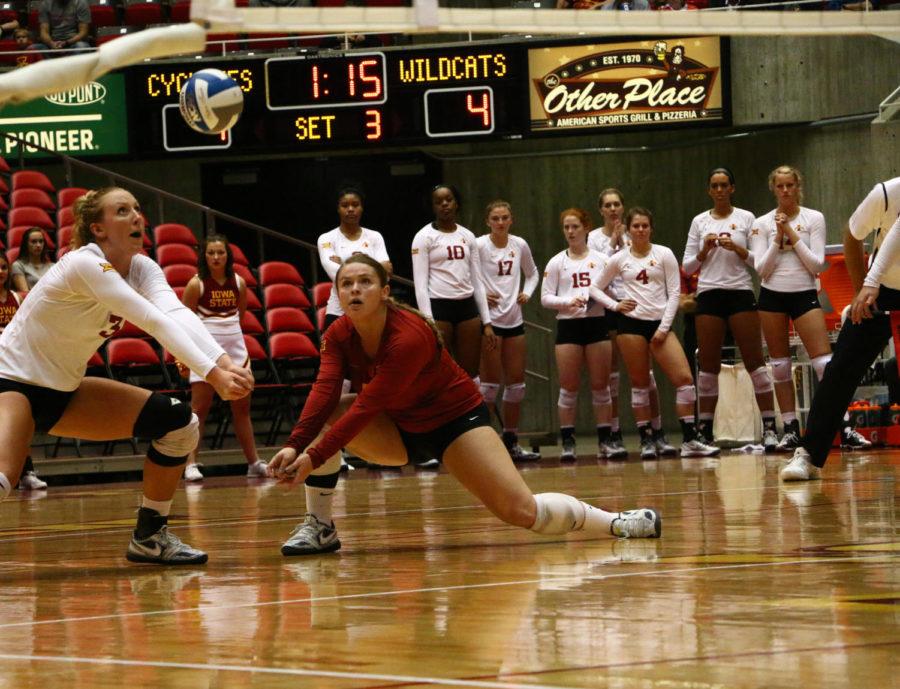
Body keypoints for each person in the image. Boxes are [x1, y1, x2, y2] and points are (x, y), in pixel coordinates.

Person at [268, 254, 661, 556]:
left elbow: (370, 405)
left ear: (385, 291)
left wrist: (314, 456)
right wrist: (294, 444)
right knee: (332, 409)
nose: (355, 290)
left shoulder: (409, 335)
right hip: (400, 430)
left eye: (365, 282)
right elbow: (324, 389)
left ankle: (615, 522)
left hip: (456, 423)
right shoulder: (338, 332)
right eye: (347, 283)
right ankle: (320, 527)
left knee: (523, 512)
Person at [0, 187, 253, 564]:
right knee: (4, 478)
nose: (136, 216)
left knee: (179, 424)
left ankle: (149, 537)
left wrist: (223, 362)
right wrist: (213, 375)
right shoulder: (83, 263)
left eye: (137, 208)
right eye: (121, 211)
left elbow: (177, 315)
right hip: (11, 383)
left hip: (64, 392)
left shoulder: (142, 267)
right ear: (98, 229)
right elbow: (150, 319)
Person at [782, 177, 900, 481]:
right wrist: (864, 287)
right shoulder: (886, 193)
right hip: (883, 289)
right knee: (842, 368)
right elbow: (853, 234)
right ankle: (808, 454)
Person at [749, 165, 869, 452]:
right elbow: (761, 270)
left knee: (824, 364)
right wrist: (778, 239)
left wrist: (790, 231)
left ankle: (844, 426)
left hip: (804, 293)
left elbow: (816, 264)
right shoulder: (762, 223)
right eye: (780, 186)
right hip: (771, 296)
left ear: (798, 186)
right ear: (773, 189)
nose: (786, 190)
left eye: (790, 185)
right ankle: (790, 429)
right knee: (779, 366)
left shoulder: (813, 217)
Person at [591, 207, 719, 460]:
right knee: (640, 384)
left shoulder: (664, 254)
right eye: (636, 226)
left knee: (684, 381)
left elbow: (674, 294)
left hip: (659, 324)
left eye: (645, 225)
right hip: (630, 326)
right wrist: (616, 305)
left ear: (651, 228)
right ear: (628, 230)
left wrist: (662, 328)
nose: (640, 230)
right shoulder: (619, 259)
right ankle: (646, 440)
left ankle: (690, 439)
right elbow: (595, 288)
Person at [682, 168, 779, 452]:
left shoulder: (746, 218)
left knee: (755, 362)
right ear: (709, 191)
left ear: (732, 188)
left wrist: (738, 249)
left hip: (739, 292)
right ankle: (705, 432)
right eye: (715, 185)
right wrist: (705, 251)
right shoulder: (699, 221)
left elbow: (757, 262)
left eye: (725, 185)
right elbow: (687, 266)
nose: (720, 190)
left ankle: (770, 429)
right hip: (709, 293)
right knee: (708, 366)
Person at [588, 188, 674, 457]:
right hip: (610, 307)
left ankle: (656, 432)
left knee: (646, 375)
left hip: (637, 306)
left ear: (622, 208)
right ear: (601, 209)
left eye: (617, 204)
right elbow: (596, 272)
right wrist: (613, 243)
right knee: (613, 375)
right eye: (608, 205)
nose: (613, 209)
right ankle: (613, 433)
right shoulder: (593, 238)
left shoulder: (635, 232)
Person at [315, 185, 391, 478]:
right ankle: (336, 449)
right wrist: (368, 270)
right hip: (338, 313)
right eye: (345, 205)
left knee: (369, 380)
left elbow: (386, 269)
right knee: (337, 383)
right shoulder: (327, 239)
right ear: (339, 209)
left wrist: (355, 267)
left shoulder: (375, 237)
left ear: (361, 208)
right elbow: (335, 272)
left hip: (371, 315)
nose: (350, 209)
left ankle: (374, 448)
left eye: (355, 205)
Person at [180, 234, 268, 482]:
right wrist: (185, 358)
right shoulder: (196, 284)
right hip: (204, 349)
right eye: (211, 253)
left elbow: (239, 315)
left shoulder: (238, 282)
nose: (216, 257)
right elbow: (184, 322)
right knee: (200, 408)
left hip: (235, 348)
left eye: (221, 252)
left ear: (228, 255)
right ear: (204, 256)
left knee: (242, 408)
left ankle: (253, 462)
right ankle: (191, 463)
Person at [540, 208, 617, 460]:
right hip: (569, 327)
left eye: (575, 226)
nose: (571, 232)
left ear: (586, 228)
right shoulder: (556, 262)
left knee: (601, 386)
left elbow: (613, 292)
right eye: (566, 227)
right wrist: (567, 302)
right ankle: (568, 442)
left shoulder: (601, 259)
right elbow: (545, 298)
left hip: (596, 325)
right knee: (569, 387)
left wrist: (598, 300)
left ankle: (605, 441)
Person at [476, 200, 540, 462]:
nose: (500, 222)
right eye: (495, 218)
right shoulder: (479, 245)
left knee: (517, 387)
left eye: (504, 218)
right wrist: (481, 295)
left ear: (511, 220)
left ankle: (511, 441)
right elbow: (469, 276)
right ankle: (482, 445)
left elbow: (533, 273)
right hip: (490, 322)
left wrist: (527, 292)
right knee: (489, 387)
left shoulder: (519, 244)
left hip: (514, 320)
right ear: (488, 221)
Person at [412, 184, 496, 380]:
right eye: (438, 202)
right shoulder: (423, 237)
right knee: (441, 371)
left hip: (467, 308)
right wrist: (429, 322)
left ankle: (472, 410)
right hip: (439, 307)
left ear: (456, 203)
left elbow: (477, 279)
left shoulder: (467, 236)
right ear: (432, 207)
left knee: (471, 373)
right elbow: (420, 285)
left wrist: (487, 322)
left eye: (448, 200)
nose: (444, 205)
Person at [0, 250, 46, 491]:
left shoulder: (17, 298)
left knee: (21, 420)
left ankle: (26, 471)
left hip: (14, 365)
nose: (1, 272)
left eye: (4, 268)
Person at [11, 227, 54, 293]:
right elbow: (25, 293)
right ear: (26, 244)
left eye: (41, 241)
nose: (38, 245)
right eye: (34, 242)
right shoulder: (18, 265)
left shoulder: (52, 266)